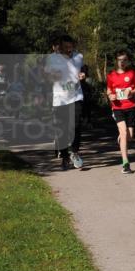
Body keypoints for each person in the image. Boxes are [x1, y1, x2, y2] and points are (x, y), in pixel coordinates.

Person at [44, 35, 84, 170]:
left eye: (70, 47)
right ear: (60, 47)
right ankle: (65, 156)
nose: (68, 50)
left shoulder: (78, 56)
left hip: (76, 96)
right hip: (60, 99)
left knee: (76, 125)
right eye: (65, 47)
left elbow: (83, 69)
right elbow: (46, 76)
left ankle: (75, 152)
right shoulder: (52, 58)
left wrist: (83, 74)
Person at [105, 49, 135, 174]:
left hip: (130, 106)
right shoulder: (111, 75)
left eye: (124, 60)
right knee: (124, 132)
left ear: (128, 61)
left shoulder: (132, 73)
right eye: (120, 60)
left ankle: (122, 136)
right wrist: (110, 96)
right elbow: (109, 90)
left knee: (130, 136)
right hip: (117, 107)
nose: (122, 62)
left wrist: (131, 91)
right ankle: (125, 163)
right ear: (116, 61)